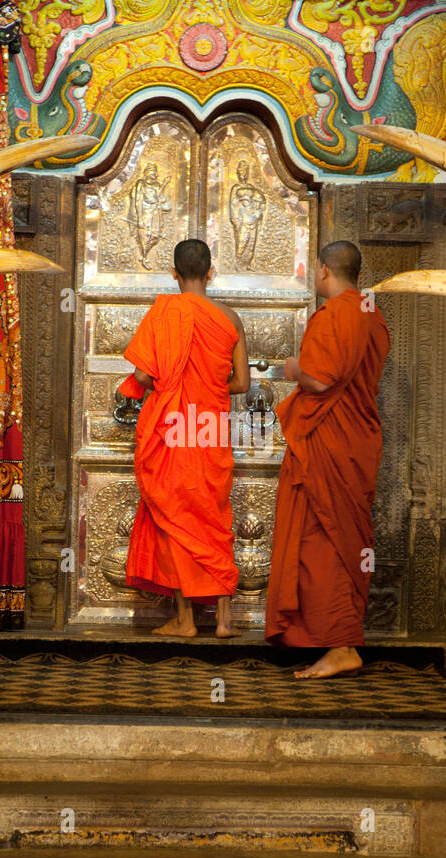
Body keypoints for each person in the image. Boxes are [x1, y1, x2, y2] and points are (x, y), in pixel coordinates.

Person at [265, 241, 390, 678]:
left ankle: (341, 645)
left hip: (330, 443)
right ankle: (334, 639)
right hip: (354, 441)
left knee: (324, 542)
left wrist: (294, 369)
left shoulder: (336, 314)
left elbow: (319, 380)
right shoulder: (371, 312)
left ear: (323, 271)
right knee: (340, 540)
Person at [121, 239, 250, 637]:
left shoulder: (164, 314)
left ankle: (185, 620)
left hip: (174, 429)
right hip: (208, 429)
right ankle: (226, 620)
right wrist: (205, 386)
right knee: (213, 516)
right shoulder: (230, 319)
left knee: (174, 516)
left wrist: (177, 383)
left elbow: (143, 378)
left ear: (174, 273)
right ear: (211, 272)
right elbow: (242, 382)